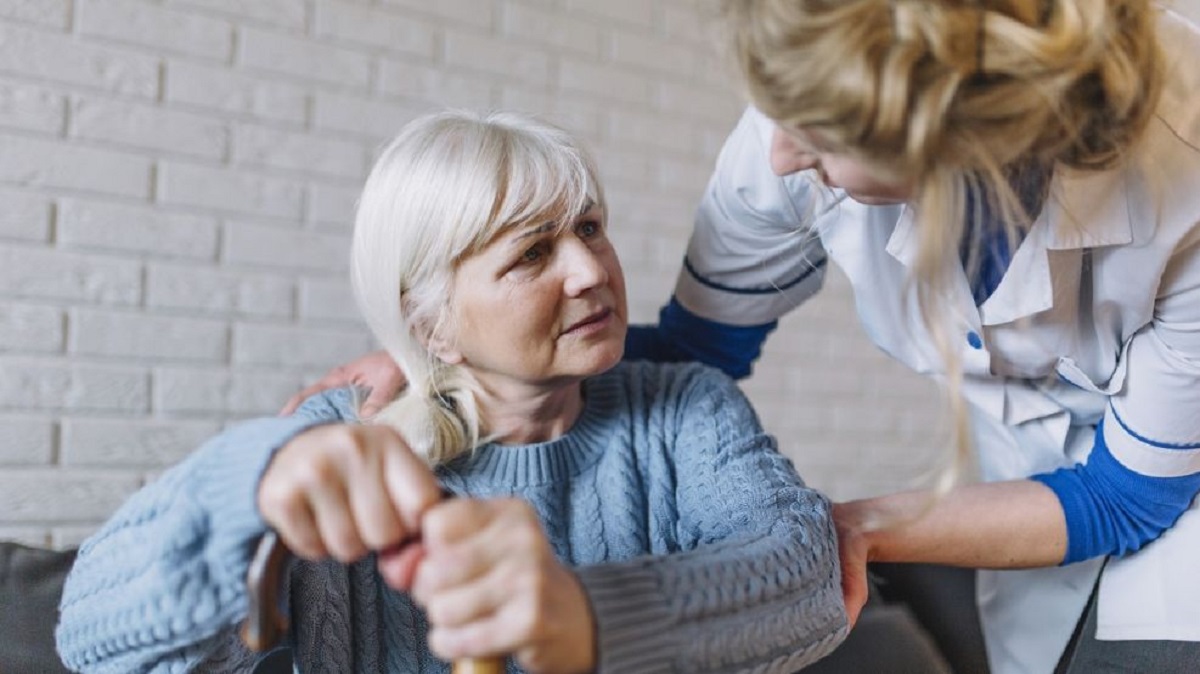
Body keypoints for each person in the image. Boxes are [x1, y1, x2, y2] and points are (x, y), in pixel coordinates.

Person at [285, 2, 1200, 673]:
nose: (780, 156)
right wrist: (440, 366)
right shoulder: (797, 113)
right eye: (529, 254)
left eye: (591, 230)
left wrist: (847, 529)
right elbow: (695, 348)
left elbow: (1126, 496)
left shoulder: (1183, 178)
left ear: (944, 145)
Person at [55, 110, 849, 674]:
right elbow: (93, 643)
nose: (589, 270)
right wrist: (239, 490)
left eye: (591, 227)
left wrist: (585, 615)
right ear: (428, 322)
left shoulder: (686, 411)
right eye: (532, 253)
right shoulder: (337, 449)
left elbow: (808, 577)